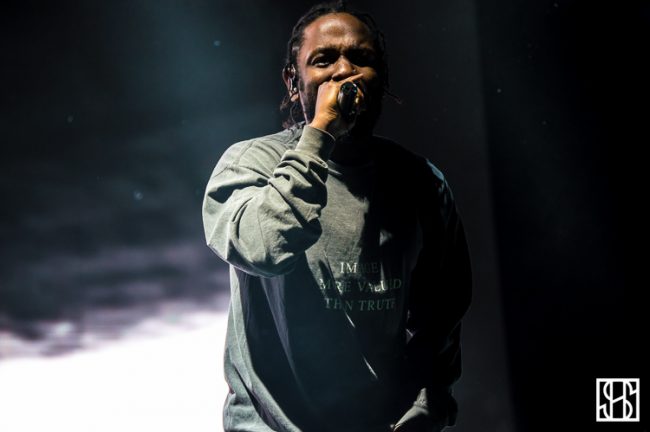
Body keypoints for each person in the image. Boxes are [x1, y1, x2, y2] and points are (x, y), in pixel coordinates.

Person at [202, 2, 472, 431]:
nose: (344, 71)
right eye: (324, 60)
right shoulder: (251, 164)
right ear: (294, 83)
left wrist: (428, 404)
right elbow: (263, 248)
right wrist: (320, 134)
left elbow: (442, 314)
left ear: (382, 77)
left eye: (360, 58)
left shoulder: (422, 183)